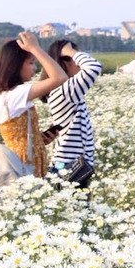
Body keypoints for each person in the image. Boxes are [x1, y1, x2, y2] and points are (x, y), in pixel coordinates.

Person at [0, 31, 67, 179]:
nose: (35, 69)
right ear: (14, 65)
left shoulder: (5, 95)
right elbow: (60, 77)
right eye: (31, 63)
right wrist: (35, 48)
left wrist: (38, 139)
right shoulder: (17, 93)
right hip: (24, 163)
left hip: (20, 159)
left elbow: (17, 135)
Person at [42, 39, 102, 186]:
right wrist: (69, 51)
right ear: (65, 63)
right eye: (76, 58)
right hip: (70, 167)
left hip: (71, 166)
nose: (80, 63)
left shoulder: (64, 90)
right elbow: (94, 67)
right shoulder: (64, 91)